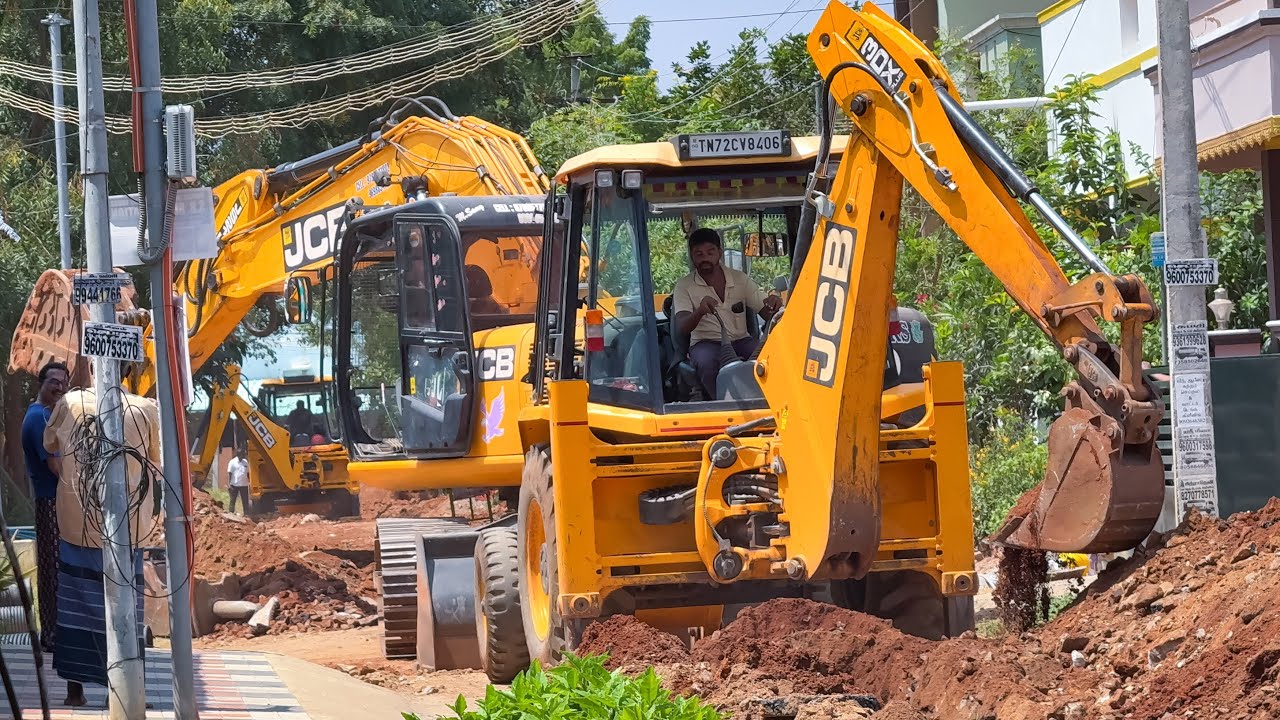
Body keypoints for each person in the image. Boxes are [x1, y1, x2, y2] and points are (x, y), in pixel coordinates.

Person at [45, 387, 160, 707]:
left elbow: (49, 444)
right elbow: (154, 460)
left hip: (77, 525)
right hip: (128, 529)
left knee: (75, 609)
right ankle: (127, 690)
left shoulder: (70, 403)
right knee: (127, 611)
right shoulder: (145, 410)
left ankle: (74, 691)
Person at [672, 228, 781, 397]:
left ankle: (766, 402)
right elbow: (682, 327)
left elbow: (767, 314)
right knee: (707, 363)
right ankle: (722, 404)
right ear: (692, 257)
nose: (705, 258)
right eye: (699, 254)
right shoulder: (684, 286)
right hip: (706, 343)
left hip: (741, 340)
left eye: (710, 252)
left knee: (770, 356)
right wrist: (700, 311)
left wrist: (774, 304)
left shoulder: (740, 279)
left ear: (720, 253)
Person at [22, 359, 67, 654]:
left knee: (52, 568)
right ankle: (51, 634)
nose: (59, 388)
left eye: (63, 383)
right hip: (50, 500)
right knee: (52, 569)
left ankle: (52, 631)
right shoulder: (40, 419)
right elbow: (55, 466)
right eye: (54, 382)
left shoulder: (42, 415)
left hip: (49, 500)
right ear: (42, 384)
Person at [226, 449, 250, 515]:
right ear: (238, 455)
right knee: (232, 500)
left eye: (243, 455)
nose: (243, 456)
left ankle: (246, 513)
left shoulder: (245, 462)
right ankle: (231, 513)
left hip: (244, 484)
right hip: (234, 485)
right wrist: (229, 484)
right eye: (242, 455)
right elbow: (230, 473)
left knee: (245, 500)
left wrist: (249, 482)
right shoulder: (232, 462)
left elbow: (247, 473)